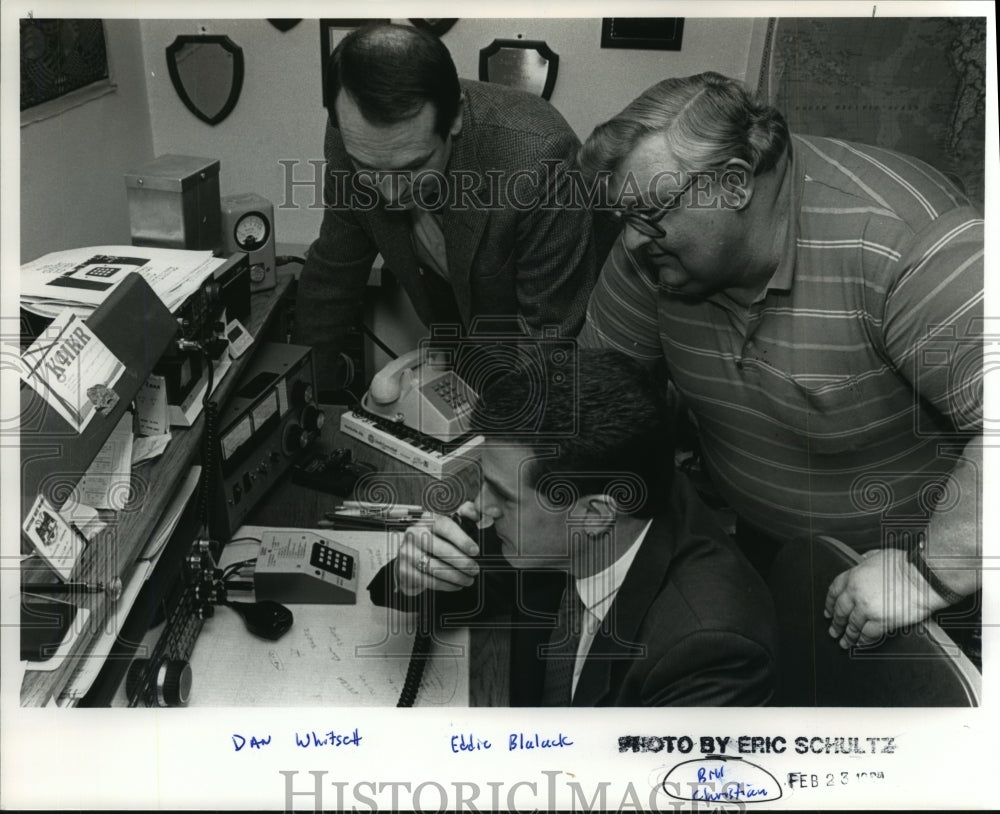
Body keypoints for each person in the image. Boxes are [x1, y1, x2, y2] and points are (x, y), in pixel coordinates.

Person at [575, 72, 983, 653]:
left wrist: (926, 575)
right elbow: (591, 394)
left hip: (921, 580)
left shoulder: (904, 243)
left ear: (735, 185)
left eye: (648, 214)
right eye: (624, 219)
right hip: (772, 550)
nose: (634, 242)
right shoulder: (654, 252)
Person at [368, 348, 778, 706]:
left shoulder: (707, 649)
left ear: (596, 515)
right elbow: (454, 585)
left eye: (503, 496)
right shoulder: (579, 509)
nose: (480, 508)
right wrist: (415, 574)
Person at [293, 23, 600, 388]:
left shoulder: (540, 158)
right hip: (454, 356)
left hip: (535, 364)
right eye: (369, 169)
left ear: (454, 117)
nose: (390, 195)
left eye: (411, 166)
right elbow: (331, 281)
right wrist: (300, 397)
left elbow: (548, 342)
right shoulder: (352, 139)